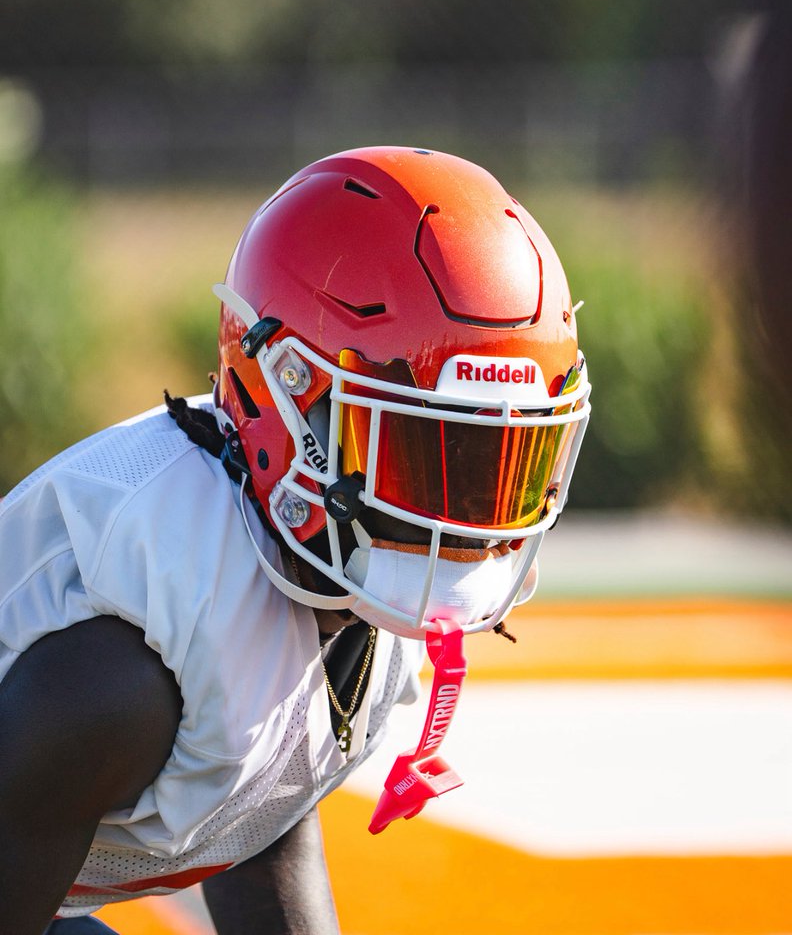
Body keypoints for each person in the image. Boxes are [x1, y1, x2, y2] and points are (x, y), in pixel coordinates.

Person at [0, 145, 591, 935]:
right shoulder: (122, 668)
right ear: (282, 394)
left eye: (498, 458)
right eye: (421, 452)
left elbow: (258, 806)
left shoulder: (331, 587)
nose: (464, 520)